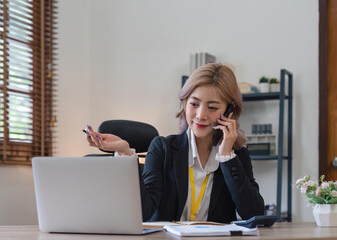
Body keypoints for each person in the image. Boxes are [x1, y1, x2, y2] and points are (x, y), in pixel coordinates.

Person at [85, 63, 265, 223]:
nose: (200, 115)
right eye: (194, 104)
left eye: (212, 108)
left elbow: (254, 215)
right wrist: (126, 154)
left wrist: (226, 156)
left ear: (229, 111)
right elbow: (145, 213)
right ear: (185, 103)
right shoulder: (163, 149)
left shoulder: (237, 156)